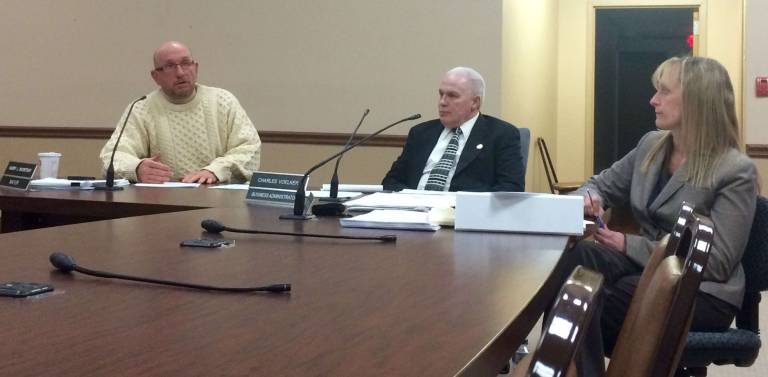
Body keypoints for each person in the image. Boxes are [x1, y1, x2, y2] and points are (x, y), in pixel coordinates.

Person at [563, 56, 758, 376]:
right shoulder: (651, 145)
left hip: (702, 291)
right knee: (576, 265)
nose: (653, 100)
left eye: (664, 92)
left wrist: (629, 245)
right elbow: (599, 185)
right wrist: (589, 198)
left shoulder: (735, 170)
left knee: (601, 297)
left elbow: (717, 261)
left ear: (696, 102)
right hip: (650, 270)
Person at [99, 41, 261, 184]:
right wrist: (136, 168)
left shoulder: (223, 101)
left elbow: (250, 149)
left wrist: (215, 171)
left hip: (219, 197)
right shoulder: (141, 108)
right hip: (161, 203)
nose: (180, 73)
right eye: (170, 66)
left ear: (195, 67)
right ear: (156, 76)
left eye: (186, 63)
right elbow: (112, 158)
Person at [382, 67, 525, 192]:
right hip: (412, 214)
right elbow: (391, 182)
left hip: (463, 216)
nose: (442, 102)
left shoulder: (501, 135)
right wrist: (412, 200)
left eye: (452, 95)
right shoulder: (421, 133)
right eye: (441, 94)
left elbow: (510, 189)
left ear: (475, 102)